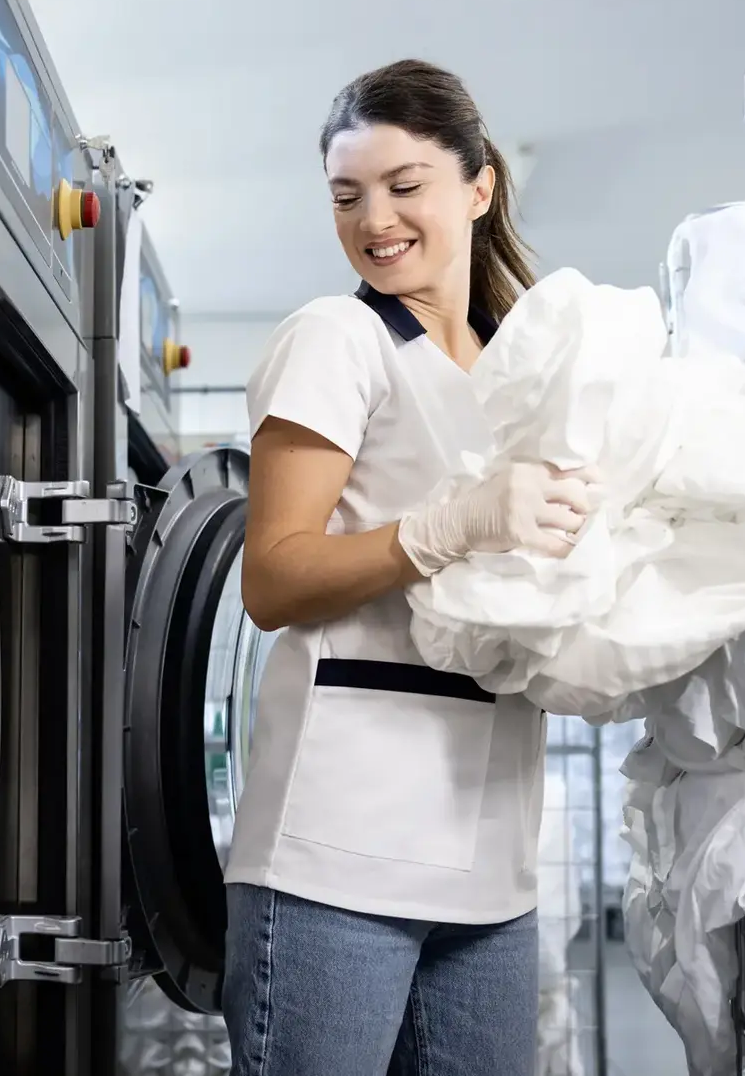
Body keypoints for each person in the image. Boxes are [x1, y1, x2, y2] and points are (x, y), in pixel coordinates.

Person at [221, 58, 601, 1076]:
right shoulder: (336, 337)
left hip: (492, 861)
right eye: (347, 196)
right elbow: (273, 579)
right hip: (335, 855)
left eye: (402, 186)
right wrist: (447, 527)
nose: (372, 219)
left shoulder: (513, 366)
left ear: (478, 187)